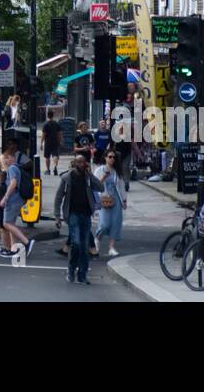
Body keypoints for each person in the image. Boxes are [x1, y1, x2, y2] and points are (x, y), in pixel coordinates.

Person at [54, 154, 101, 284]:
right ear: (75, 163)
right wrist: (57, 216)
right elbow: (58, 198)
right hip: (72, 214)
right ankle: (71, 269)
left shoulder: (88, 178)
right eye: (79, 163)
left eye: (83, 163)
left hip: (86, 214)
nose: (81, 165)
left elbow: (101, 188)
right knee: (76, 243)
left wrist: (90, 175)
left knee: (85, 245)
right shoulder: (67, 178)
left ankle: (82, 274)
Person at [0, 150, 31, 259]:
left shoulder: (12, 168)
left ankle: (27, 242)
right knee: (11, 224)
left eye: (6, 158)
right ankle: (14, 248)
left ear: (12, 158)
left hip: (13, 200)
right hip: (17, 199)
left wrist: (5, 197)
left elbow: (13, 183)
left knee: (6, 224)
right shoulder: (16, 167)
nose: (5, 161)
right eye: (4, 159)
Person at [93, 149, 127, 257]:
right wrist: (104, 177)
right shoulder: (99, 170)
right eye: (110, 157)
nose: (112, 159)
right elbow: (95, 185)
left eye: (114, 157)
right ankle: (97, 240)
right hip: (104, 199)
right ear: (105, 157)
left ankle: (111, 247)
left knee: (116, 223)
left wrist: (124, 200)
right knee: (104, 224)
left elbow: (121, 186)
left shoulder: (117, 171)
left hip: (116, 199)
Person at [42, 110, 63, 176]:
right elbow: (59, 134)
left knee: (47, 156)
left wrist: (41, 143)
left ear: (47, 115)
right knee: (55, 155)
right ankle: (55, 167)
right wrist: (60, 141)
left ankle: (48, 170)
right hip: (55, 141)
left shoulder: (45, 124)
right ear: (53, 115)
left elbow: (43, 134)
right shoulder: (56, 124)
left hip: (47, 142)